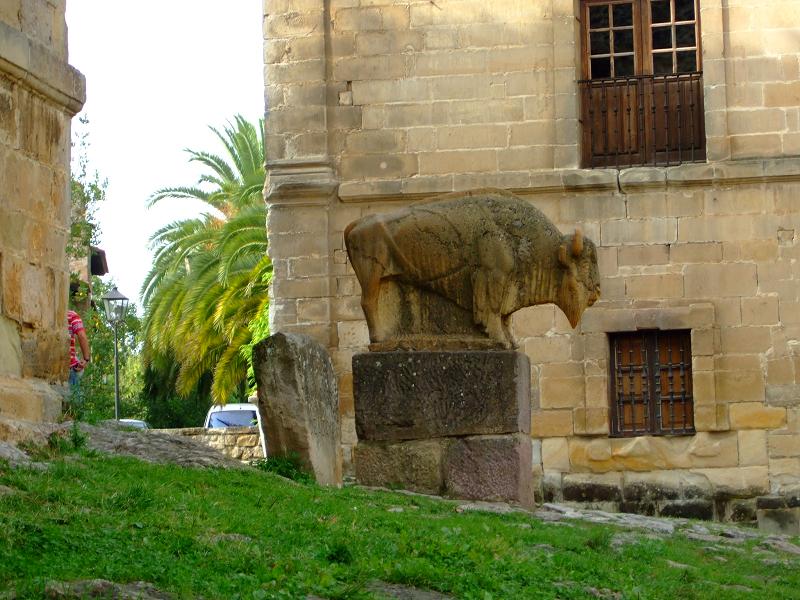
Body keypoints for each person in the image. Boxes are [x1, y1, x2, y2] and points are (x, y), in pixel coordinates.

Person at [67, 308, 91, 413]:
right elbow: (81, 336)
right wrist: (86, 359)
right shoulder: (72, 315)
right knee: (75, 405)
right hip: (70, 365)